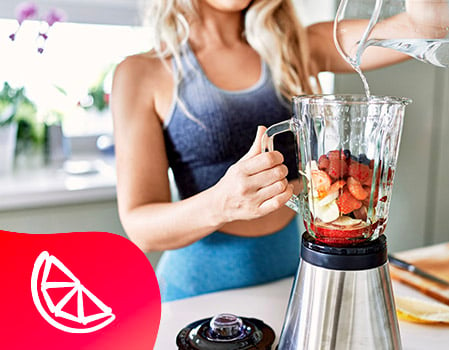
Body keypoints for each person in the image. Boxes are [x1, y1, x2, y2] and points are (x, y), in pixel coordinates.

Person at [110, 0, 429, 302]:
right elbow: (141, 229)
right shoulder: (142, 72)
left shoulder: (299, 48)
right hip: (196, 297)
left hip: (295, 282)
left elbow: (424, 27)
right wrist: (223, 203)